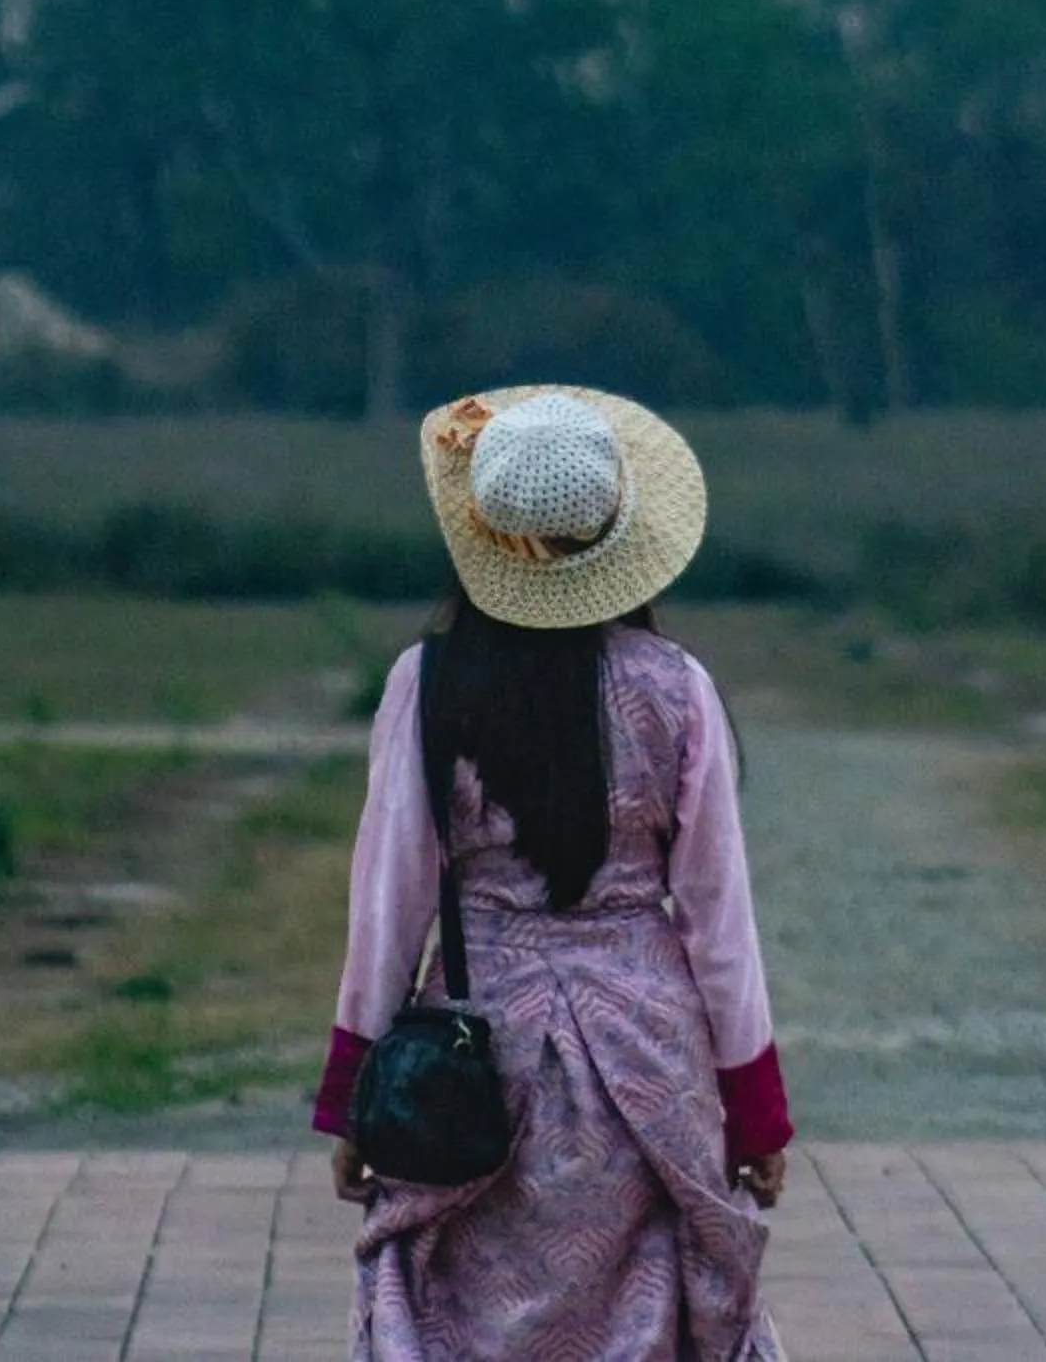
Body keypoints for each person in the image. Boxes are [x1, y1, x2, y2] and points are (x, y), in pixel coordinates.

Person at [312, 383, 794, 1361]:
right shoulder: (678, 688)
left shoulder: (426, 682)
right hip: (648, 1064)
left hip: (472, 1059)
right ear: (619, 536)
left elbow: (390, 903)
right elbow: (717, 920)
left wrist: (352, 1094)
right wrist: (754, 1110)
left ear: (479, 536)